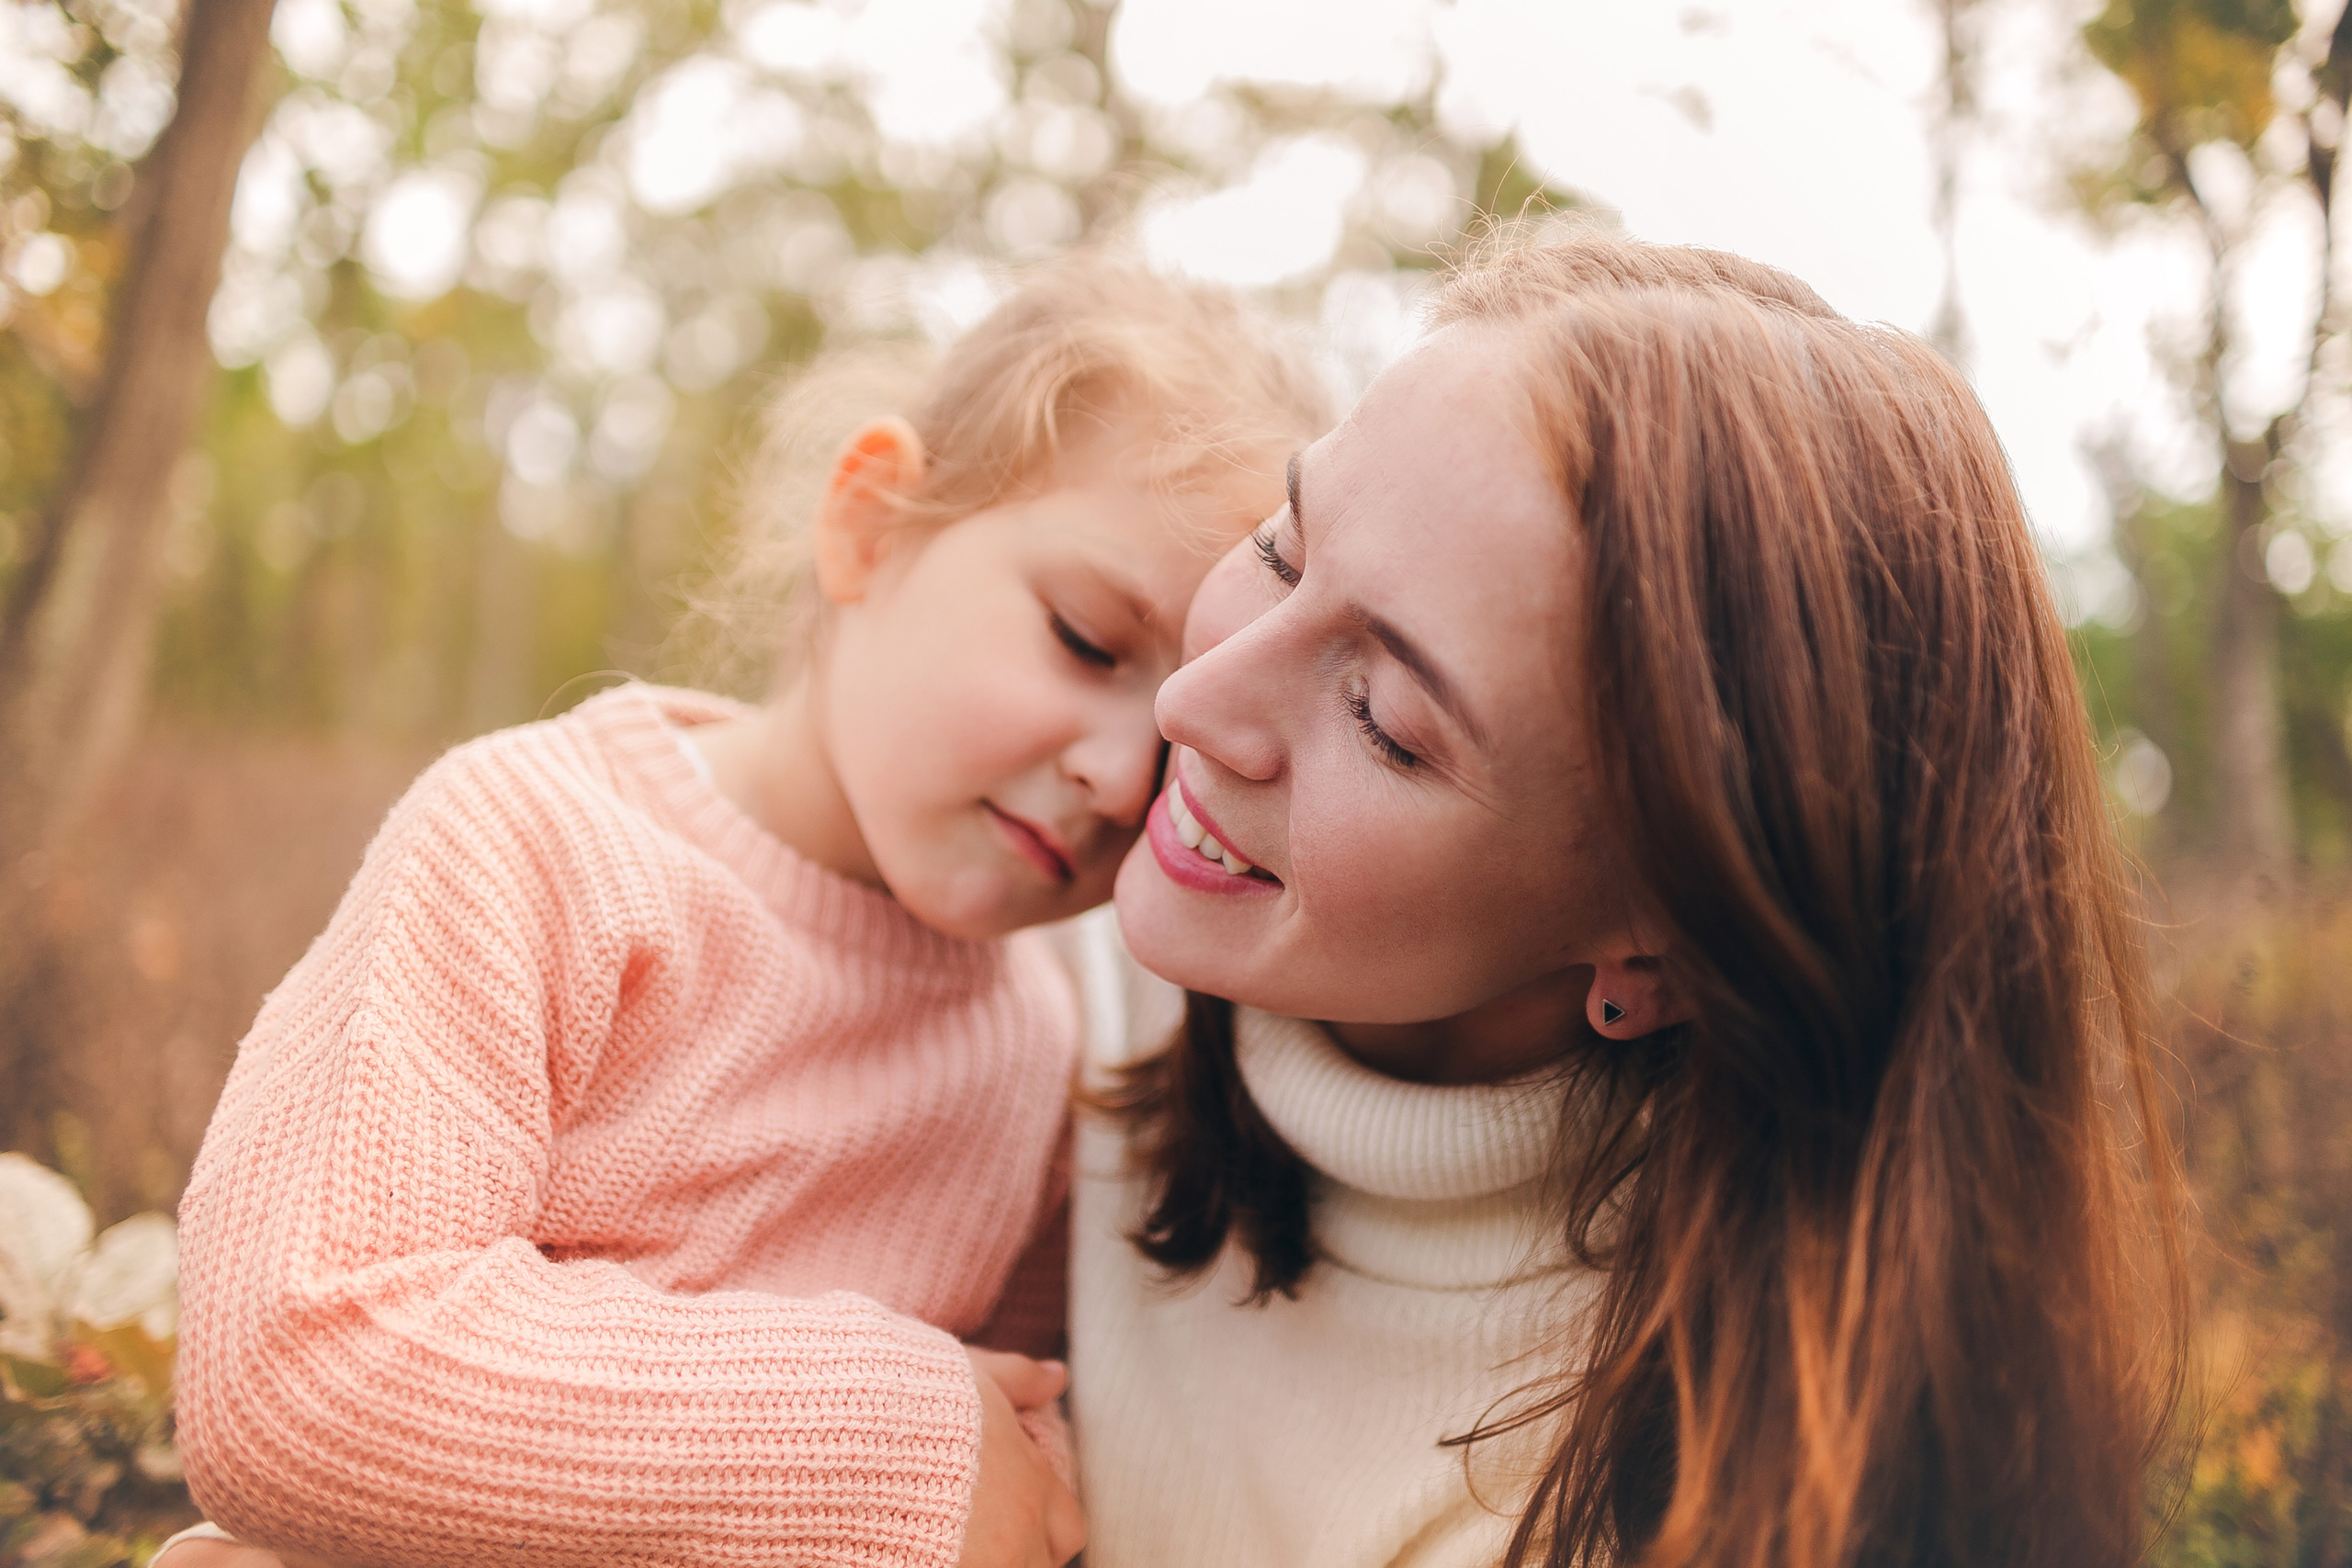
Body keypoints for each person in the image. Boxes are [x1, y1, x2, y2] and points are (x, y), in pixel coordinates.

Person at [157, 259, 1329, 1568]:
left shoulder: (1032, 1047)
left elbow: (1018, 1472)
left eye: (1182, 745)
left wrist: (993, 1468)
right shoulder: (536, 845)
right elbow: (293, 1369)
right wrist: (887, 1438)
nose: (1120, 775)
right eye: (1086, 640)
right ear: (871, 523)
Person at [1069, 233, 2186, 1568]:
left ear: (1660, 946)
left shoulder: (1638, 1504)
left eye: (1386, 721)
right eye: (1281, 545)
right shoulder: (1045, 904)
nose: (1192, 702)